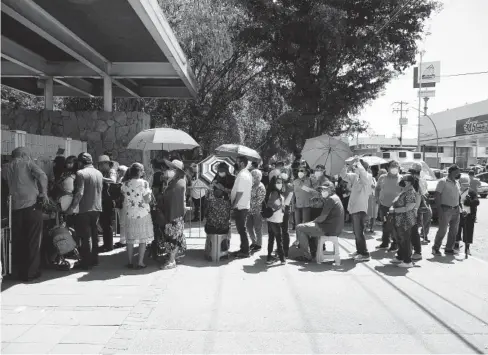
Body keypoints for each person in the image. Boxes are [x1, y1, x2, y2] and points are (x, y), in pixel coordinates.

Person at [2, 147, 48, 282]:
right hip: (31, 207)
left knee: (19, 241)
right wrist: (43, 193)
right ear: (22, 155)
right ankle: (31, 273)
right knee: (33, 240)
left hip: (15, 210)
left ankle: (19, 271)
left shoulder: (5, 168)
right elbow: (42, 176)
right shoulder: (27, 163)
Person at [67, 153, 103, 270]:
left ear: (81, 162)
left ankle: (86, 262)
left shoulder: (81, 173)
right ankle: (94, 260)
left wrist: (72, 207)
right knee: (94, 234)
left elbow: (80, 193)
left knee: (85, 236)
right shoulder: (99, 173)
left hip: (84, 209)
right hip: (97, 208)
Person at [295, 181, 344, 262]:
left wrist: (311, 222)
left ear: (331, 189)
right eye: (322, 189)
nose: (323, 191)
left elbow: (322, 218)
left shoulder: (331, 200)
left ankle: (306, 256)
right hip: (335, 228)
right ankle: (315, 252)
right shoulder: (335, 197)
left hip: (328, 229)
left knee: (299, 227)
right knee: (309, 227)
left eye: (325, 189)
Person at [121, 163, 154, 269]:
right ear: (139, 172)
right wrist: (149, 192)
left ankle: (130, 262)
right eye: (142, 170)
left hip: (130, 213)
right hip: (142, 213)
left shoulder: (125, 183)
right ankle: (140, 262)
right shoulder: (144, 183)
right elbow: (147, 199)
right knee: (142, 239)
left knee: (130, 239)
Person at [340, 157, 373, 262]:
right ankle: (359, 251)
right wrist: (345, 165)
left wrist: (358, 162)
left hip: (360, 209)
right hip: (354, 208)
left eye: (357, 167)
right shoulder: (355, 177)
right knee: (356, 232)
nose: (354, 169)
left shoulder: (367, 177)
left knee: (359, 232)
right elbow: (343, 175)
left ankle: (365, 253)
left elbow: (363, 174)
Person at [158, 160, 187, 269]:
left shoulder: (179, 182)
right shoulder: (172, 181)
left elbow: (173, 198)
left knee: (174, 237)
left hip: (174, 214)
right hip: (171, 213)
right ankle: (171, 257)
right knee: (170, 237)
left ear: (176, 171)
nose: (168, 170)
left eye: (171, 168)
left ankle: (172, 260)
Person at [389, 174, 419, 268]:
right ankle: (400, 257)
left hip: (406, 220)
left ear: (409, 182)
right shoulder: (404, 191)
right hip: (399, 219)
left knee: (405, 240)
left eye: (404, 180)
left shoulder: (410, 192)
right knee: (400, 239)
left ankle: (407, 261)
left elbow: (409, 207)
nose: (402, 182)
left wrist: (395, 210)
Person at [432, 164, 462, 256]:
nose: (459, 173)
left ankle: (449, 248)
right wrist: (439, 210)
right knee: (442, 230)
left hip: (456, 210)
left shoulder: (457, 182)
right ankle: (436, 248)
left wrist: (461, 208)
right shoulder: (443, 181)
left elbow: (459, 197)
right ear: (452, 172)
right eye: (457, 171)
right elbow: (437, 195)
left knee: (454, 231)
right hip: (445, 209)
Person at [375, 160, 402, 251]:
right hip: (384, 206)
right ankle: (385, 243)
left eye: (396, 166)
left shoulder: (402, 178)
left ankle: (395, 244)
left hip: (396, 207)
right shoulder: (382, 177)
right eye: (393, 166)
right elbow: (377, 189)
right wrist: (377, 199)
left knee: (394, 226)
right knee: (385, 224)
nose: (394, 168)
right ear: (388, 167)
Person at [231, 156, 253, 258]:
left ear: (242, 163)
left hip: (240, 206)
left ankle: (245, 251)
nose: (236, 163)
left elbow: (239, 193)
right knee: (241, 229)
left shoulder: (243, 175)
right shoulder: (245, 173)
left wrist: (234, 205)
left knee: (241, 229)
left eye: (237, 162)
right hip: (243, 205)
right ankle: (243, 248)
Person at [409, 162, 431, 260]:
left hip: (413, 209)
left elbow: (418, 196)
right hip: (414, 209)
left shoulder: (416, 181)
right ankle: (412, 250)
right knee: (412, 231)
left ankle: (416, 252)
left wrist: (414, 210)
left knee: (413, 231)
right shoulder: (422, 181)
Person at [98, 155, 117, 252]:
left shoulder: (111, 171)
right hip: (103, 199)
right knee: (104, 223)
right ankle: (106, 244)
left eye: (101, 164)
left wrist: (101, 178)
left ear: (106, 163)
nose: (100, 166)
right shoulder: (103, 172)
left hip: (108, 200)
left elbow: (113, 180)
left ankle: (109, 246)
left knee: (107, 223)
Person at [455, 175, 478, 257]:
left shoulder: (471, 192)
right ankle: (456, 245)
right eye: (463, 184)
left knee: (468, 232)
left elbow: (476, 202)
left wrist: (468, 202)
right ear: (460, 184)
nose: (465, 186)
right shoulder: (457, 191)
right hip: (458, 214)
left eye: (467, 185)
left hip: (468, 215)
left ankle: (467, 248)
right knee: (457, 230)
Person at [265, 176, 286, 264]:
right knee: (278, 239)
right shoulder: (274, 193)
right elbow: (270, 205)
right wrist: (279, 206)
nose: (279, 184)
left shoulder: (276, 192)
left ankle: (270, 257)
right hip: (275, 219)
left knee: (272, 239)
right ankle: (282, 258)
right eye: (277, 182)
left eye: (280, 182)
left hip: (274, 219)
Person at [247, 169, 266, 252]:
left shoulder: (261, 187)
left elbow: (259, 200)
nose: (253, 178)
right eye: (252, 176)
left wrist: (250, 201)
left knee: (258, 228)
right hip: (249, 209)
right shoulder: (251, 185)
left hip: (257, 210)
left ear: (259, 177)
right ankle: (253, 242)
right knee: (248, 227)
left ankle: (259, 244)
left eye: (255, 176)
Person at [280, 169, 294, 257]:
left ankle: (285, 251)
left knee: (284, 230)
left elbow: (288, 200)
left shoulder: (289, 186)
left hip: (284, 209)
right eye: (283, 172)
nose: (284, 174)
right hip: (278, 209)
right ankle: (281, 249)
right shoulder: (279, 183)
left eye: (286, 172)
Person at [366, 167, 378, 233]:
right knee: (368, 213)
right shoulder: (365, 179)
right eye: (368, 172)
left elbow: (376, 187)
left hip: (374, 197)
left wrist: (374, 186)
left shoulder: (373, 179)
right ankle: (365, 226)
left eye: (370, 172)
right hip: (368, 197)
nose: (370, 174)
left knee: (374, 213)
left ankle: (372, 227)